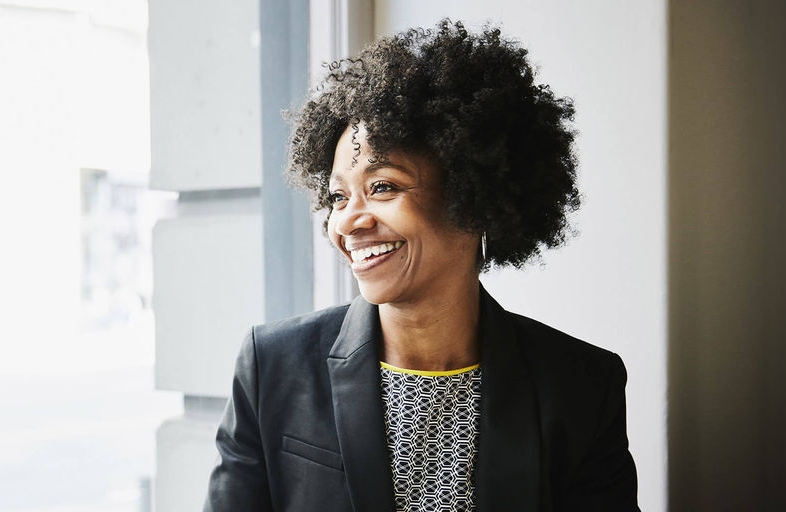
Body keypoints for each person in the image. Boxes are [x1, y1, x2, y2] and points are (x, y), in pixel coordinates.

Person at [202, 20, 638, 512]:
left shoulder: (581, 384)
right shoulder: (273, 367)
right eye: (339, 196)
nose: (348, 221)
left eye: (383, 186)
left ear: (475, 199)